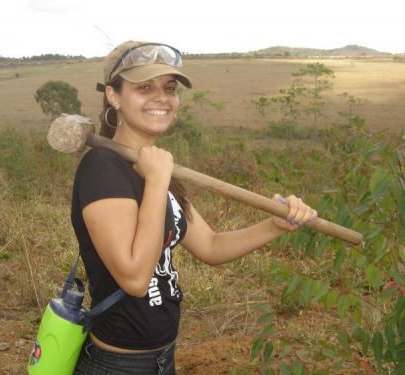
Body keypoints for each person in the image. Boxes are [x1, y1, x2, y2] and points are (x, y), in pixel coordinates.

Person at [71, 41, 317, 375]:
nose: (161, 98)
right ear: (114, 96)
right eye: (144, 87)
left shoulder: (155, 166)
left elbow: (211, 246)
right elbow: (134, 278)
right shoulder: (103, 169)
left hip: (161, 357)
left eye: (169, 88)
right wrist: (157, 181)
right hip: (118, 364)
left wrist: (275, 225)